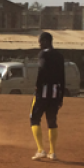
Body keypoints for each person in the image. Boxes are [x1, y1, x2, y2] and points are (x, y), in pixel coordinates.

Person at [30, 32, 65, 161]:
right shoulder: (59, 55)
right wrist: (61, 96)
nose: (39, 44)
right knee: (52, 121)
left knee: (34, 118)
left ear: (45, 41)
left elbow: (42, 70)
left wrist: (37, 87)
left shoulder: (43, 54)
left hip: (44, 91)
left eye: (40, 41)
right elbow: (62, 76)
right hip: (56, 91)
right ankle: (53, 152)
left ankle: (40, 150)